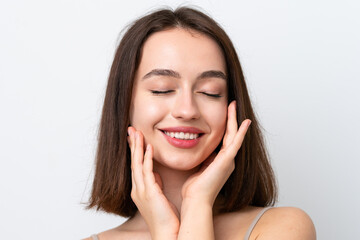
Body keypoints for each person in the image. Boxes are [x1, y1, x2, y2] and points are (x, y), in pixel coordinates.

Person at [84, 6, 316, 240]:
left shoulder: (284, 228)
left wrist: (198, 205)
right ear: (123, 104)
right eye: (161, 89)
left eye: (210, 92)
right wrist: (164, 230)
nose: (187, 110)